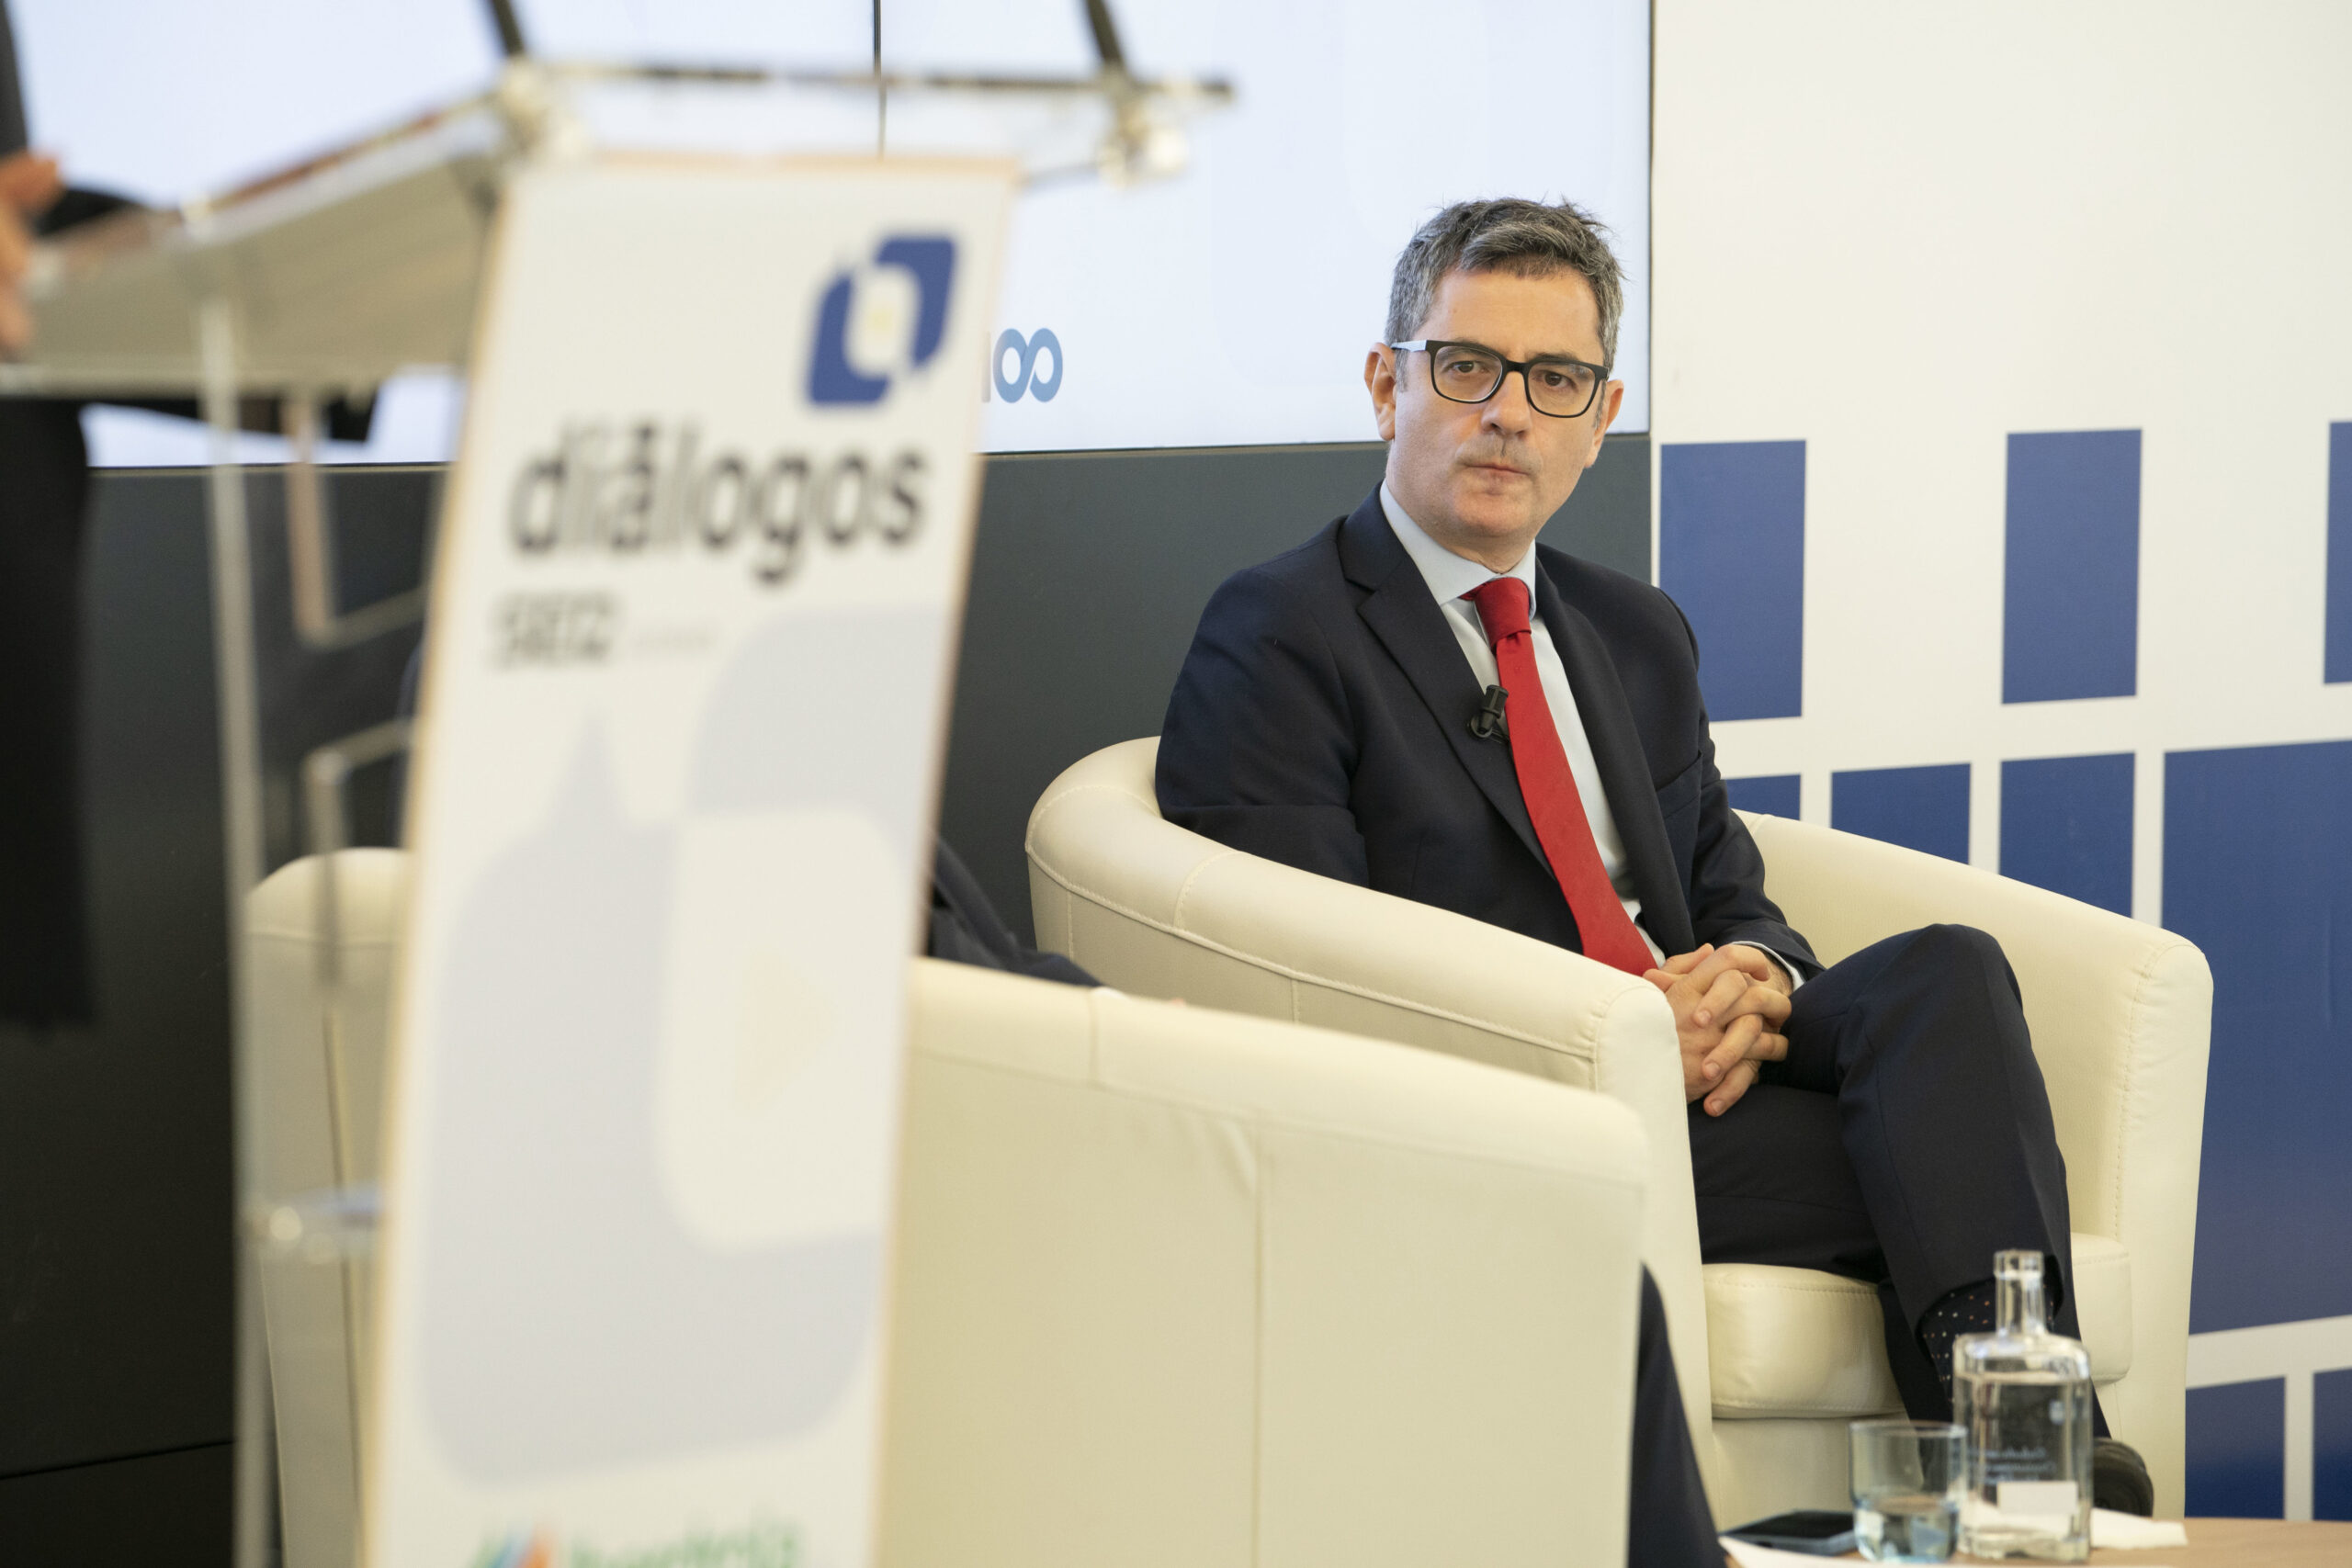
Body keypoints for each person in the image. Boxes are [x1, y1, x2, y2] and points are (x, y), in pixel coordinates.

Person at [1155, 197, 2154, 1540]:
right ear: (1389, 383)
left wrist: (1754, 978)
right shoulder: (1279, 632)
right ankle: (2035, 1462)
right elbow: (1308, 978)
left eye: (1555, 381)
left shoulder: (1633, 631)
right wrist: (1621, 1029)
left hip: (1712, 1082)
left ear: (1601, 416)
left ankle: (2009, 1464)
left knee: (1948, 976)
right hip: (1530, 1105)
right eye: (1468, 366)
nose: (1509, 413)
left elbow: (1733, 892)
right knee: (1950, 1168)